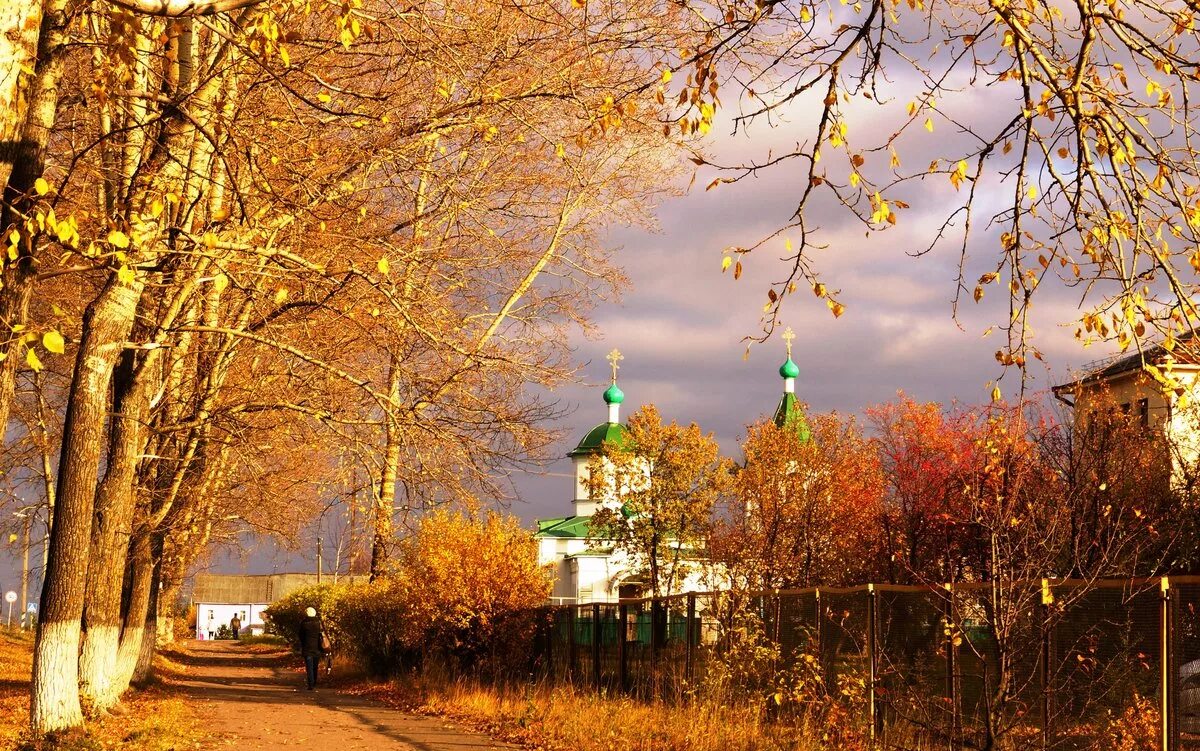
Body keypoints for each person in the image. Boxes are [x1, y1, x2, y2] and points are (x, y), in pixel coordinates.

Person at [297, 606, 325, 691]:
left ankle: (311, 684)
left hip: (307, 647)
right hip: (317, 647)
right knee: (315, 666)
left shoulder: (304, 623)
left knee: (309, 667)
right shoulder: (319, 623)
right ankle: (315, 682)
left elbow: (300, 635)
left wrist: (302, 643)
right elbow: (322, 634)